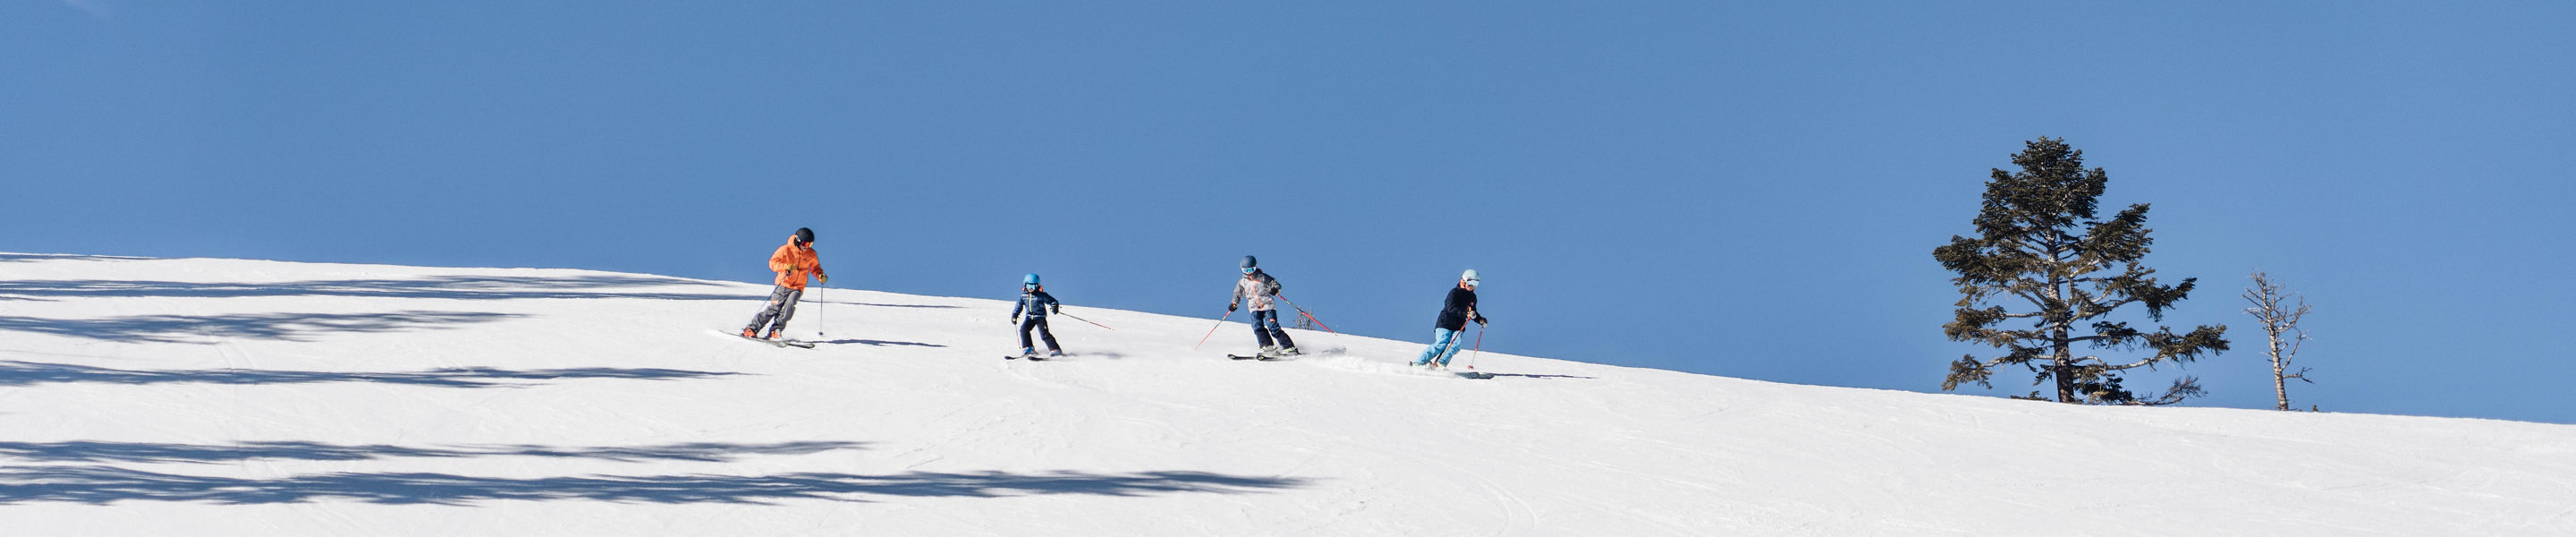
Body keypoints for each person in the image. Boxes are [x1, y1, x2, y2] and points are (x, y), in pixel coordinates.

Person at [741, 227, 826, 340]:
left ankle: (775, 331)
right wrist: (786, 267)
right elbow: (773, 263)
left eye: (810, 244)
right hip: (783, 284)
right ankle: (751, 329)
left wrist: (820, 275)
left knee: (789, 308)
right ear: (798, 240)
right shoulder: (785, 250)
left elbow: (815, 267)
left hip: (798, 287)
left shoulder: (811, 254)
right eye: (805, 243)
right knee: (775, 308)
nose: (807, 246)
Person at [1414, 269, 1487, 369]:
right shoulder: (1454, 293)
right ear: (1464, 281)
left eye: (1475, 283)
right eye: (1470, 283)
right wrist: (1466, 313)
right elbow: (1451, 308)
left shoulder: (1473, 297)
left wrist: (1480, 320)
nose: (1472, 286)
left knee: (1456, 345)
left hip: (1459, 326)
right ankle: (1419, 363)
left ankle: (1440, 364)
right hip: (1446, 323)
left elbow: (1472, 312)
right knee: (1441, 344)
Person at [1228, 255, 1299, 358]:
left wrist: (1275, 289)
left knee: (1273, 327)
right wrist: (1234, 304)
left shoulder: (1263, 277)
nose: (1248, 272)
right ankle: (1267, 347)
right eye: (1245, 270)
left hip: (1268, 306)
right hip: (1254, 308)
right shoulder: (1242, 282)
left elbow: (1276, 284)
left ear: (1255, 267)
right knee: (1257, 327)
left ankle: (1289, 347)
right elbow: (1237, 294)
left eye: (1251, 269)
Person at [1009, 273, 1063, 358]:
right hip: (1029, 317)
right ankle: (1028, 348)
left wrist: (1054, 307)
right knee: (1024, 330)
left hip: (1040, 317)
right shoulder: (1023, 296)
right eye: (1028, 286)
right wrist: (1015, 315)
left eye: (1033, 286)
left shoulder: (1041, 295)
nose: (1030, 289)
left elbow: (1053, 301)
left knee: (1044, 334)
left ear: (1038, 286)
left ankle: (1055, 349)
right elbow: (1018, 307)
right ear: (1025, 285)